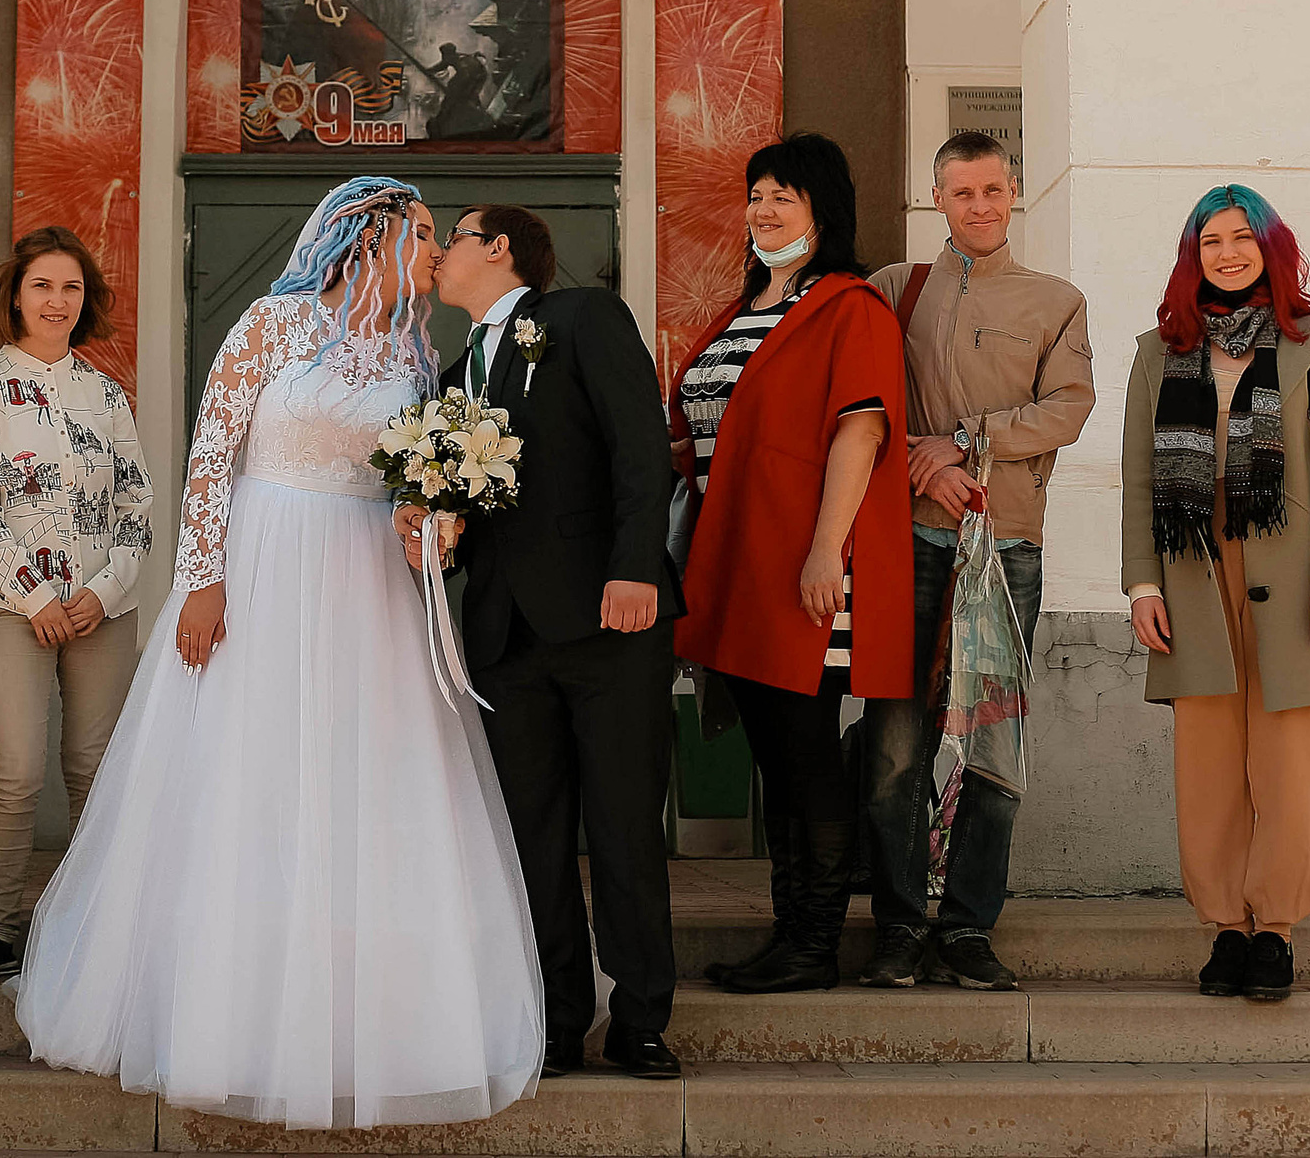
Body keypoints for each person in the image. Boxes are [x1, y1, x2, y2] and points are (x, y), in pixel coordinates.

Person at [16, 178, 542, 1129]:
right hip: (261, 564)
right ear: (368, 237)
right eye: (421, 234)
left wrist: (432, 527)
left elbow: (412, 481)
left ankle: (370, 1014)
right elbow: (212, 449)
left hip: (370, 588)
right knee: (248, 770)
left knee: (368, 776)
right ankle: (230, 1008)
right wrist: (203, 576)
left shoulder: (418, 354)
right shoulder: (272, 322)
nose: (432, 252)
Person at [414, 203, 683, 1079]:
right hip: (503, 633)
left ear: (497, 249)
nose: (436, 256)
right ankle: (558, 1019)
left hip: (610, 618)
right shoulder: (454, 374)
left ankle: (640, 1019)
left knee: (623, 828)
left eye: (448, 238)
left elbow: (642, 446)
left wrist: (635, 566)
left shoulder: (579, 318)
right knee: (532, 837)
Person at [668, 135, 914, 997]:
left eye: (786, 196)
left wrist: (824, 549)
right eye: (757, 195)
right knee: (774, 753)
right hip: (737, 561)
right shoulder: (740, 311)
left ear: (824, 210)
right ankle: (791, 931)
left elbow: (863, 427)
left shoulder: (849, 306)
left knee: (804, 752)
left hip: (803, 563)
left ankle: (812, 941)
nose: (765, 209)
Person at [1121, 184, 1310, 1003]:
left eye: (1242, 238)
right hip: (1191, 566)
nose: (1227, 253)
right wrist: (1141, 581)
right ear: (1194, 255)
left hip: (1293, 573)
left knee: (1286, 757)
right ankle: (1226, 926)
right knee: (1209, 760)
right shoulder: (1159, 349)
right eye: (1211, 240)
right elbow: (1135, 478)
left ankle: (1277, 931)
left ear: (1271, 248)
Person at [865, 130, 1093, 993]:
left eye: (994, 190)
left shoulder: (1055, 300)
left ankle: (965, 928)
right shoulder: (896, 290)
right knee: (895, 746)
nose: (982, 206)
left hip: (1006, 550)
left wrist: (964, 443)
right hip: (907, 543)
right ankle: (895, 926)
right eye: (963, 193)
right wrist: (918, 461)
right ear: (938, 200)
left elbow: (1067, 407)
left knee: (991, 747)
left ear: (1014, 192)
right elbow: (860, 405)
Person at [0, 227, 153, 985]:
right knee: (20, 772)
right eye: (42, 286)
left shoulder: (105, 392)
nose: (57, 300)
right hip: (11, 605)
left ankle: (96, 930)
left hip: (102, 609)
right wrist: (35, 597)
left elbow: (136, 504)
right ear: (15, 296)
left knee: (94, 769)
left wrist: (102, 590)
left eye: (71, 287)